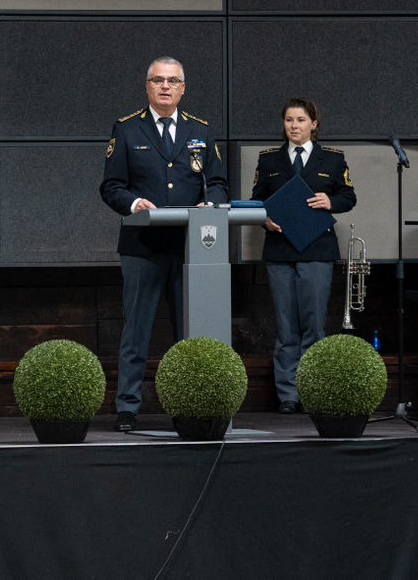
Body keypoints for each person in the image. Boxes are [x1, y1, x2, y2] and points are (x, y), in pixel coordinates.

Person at [99, 57, 228, 432]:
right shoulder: (126, 130)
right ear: (148, 86)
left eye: (173, 81)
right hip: (143, 244)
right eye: (158, 80)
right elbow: (111, 187)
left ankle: (189, 405)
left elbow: (217, 182)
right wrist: (135, 203)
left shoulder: (200, 130)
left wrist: (211, 203)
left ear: (183, 88)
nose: (166, 87)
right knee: (136, 332)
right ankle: (127, 408)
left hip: (190, 248)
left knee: (189, 334)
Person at [249, 98, 356, 414]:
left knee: (313, 325)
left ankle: (313, 390)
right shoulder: (269, 160)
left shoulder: (333, 160)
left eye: (300, 120)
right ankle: (288, 396)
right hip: (281, 249)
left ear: (314, 124)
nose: (293, 125)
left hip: (317, 249)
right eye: (288, 120)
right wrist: (263, 218)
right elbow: (257, 201)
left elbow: (348, 196)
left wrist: (330, 201)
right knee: (286, 326)